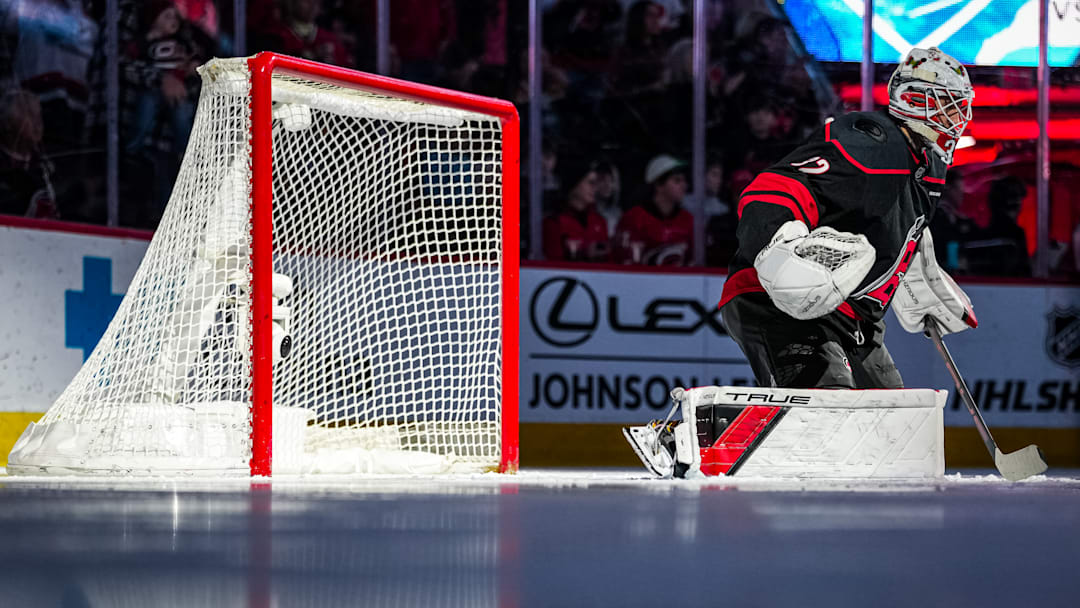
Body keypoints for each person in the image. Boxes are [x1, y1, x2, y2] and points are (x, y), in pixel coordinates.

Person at [716, 46, 977, 390]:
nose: (958, 117)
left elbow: (889, 227)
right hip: (781, 299)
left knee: (895, 428)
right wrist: (777, 248)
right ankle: (701, 441)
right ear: (915, 99)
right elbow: (772, 189)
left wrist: (914, 280)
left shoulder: (925, 168)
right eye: (948, 105)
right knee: (832, 415)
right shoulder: (874, 140)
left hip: (853, 320)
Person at [613, 154, 693, 265]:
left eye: (684, 181)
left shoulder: (688, 220)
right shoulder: (634, 219)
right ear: (659, 185)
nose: (684, 185)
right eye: (677, 180)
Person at [542, 156, 610, 262]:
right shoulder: (554, 223)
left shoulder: (599, 221)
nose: (595, 188)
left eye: (596, 183)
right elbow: (552, 265)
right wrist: (583, 254)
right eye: (590, 183)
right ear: (574, 185)